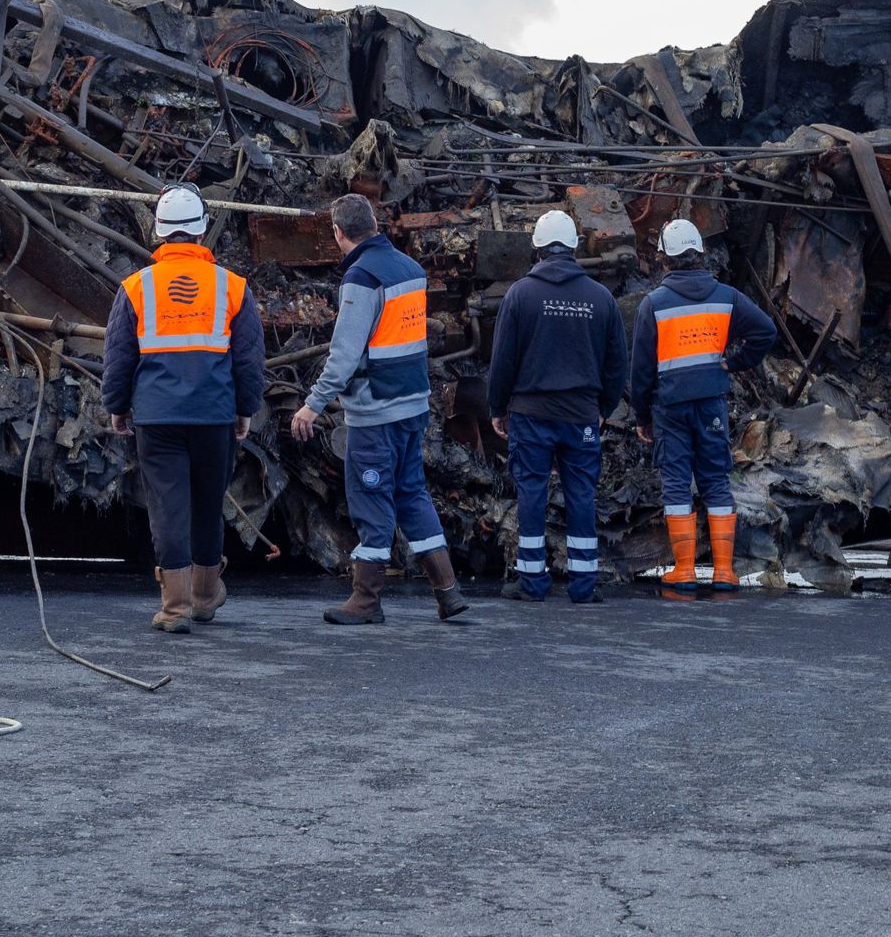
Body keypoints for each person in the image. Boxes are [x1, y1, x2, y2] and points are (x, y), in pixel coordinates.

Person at [291, 193, 469, 625]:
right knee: (411, 493)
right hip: (412, 405)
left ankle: (366, 601)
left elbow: (345, 353)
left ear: (338, 232)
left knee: (371, 497)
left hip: (377, 410)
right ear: (374, 223)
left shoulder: (362, 277)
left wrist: (311, 406)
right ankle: (447, 592)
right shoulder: (410, 269)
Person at [102, 187, 265, 633]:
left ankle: (173, 609)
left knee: (168, 506)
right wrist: (245, 408)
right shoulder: (233, 287)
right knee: (208, 505)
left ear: (158, 232)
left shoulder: (135, 287)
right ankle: (205, 596)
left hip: (157, 417)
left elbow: (118, 356)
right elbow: (249, 359)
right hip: (213, 414)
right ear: (200, 232)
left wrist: (117, 406)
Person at [486, 209, 628, 603]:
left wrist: (498, 407)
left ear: (537, 249)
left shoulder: (520, 294)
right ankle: (584, 584)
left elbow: (503, 360)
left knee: (531, 491)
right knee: (581, 492)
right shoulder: (600, 298)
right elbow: (618, 362)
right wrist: (604, 407)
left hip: (531, 416)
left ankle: (532, 582)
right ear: (574, 247)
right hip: (581, 416)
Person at [628, 217, 776, 596]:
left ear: (664, 257)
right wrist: (735, 362)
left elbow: (641, 371)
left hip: (670, 405)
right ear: (699, 254)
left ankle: (684, 570)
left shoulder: (654, 305)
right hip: (711, 402)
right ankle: (724, 571)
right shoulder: (726, 296)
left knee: (676, 480)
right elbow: (765, 332)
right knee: (714, 477)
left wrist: (642, 416)